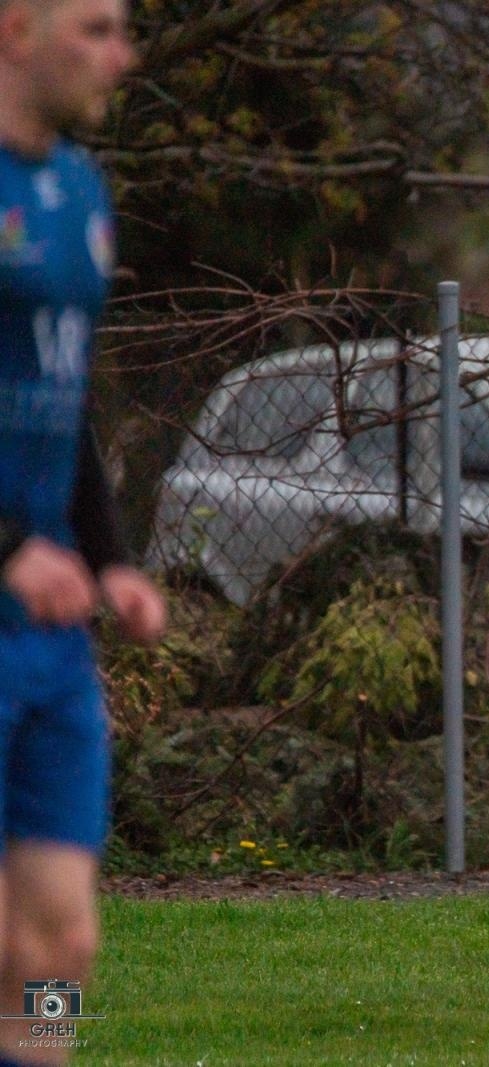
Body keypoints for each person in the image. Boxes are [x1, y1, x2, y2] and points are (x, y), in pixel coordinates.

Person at [0, 1, 152, 1063]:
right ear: (16, 28)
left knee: (61, 939)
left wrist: (110, 559)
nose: (122, 55)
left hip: (49, 637)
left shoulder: (80, 192)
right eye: (96, 28)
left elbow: (70, 396)